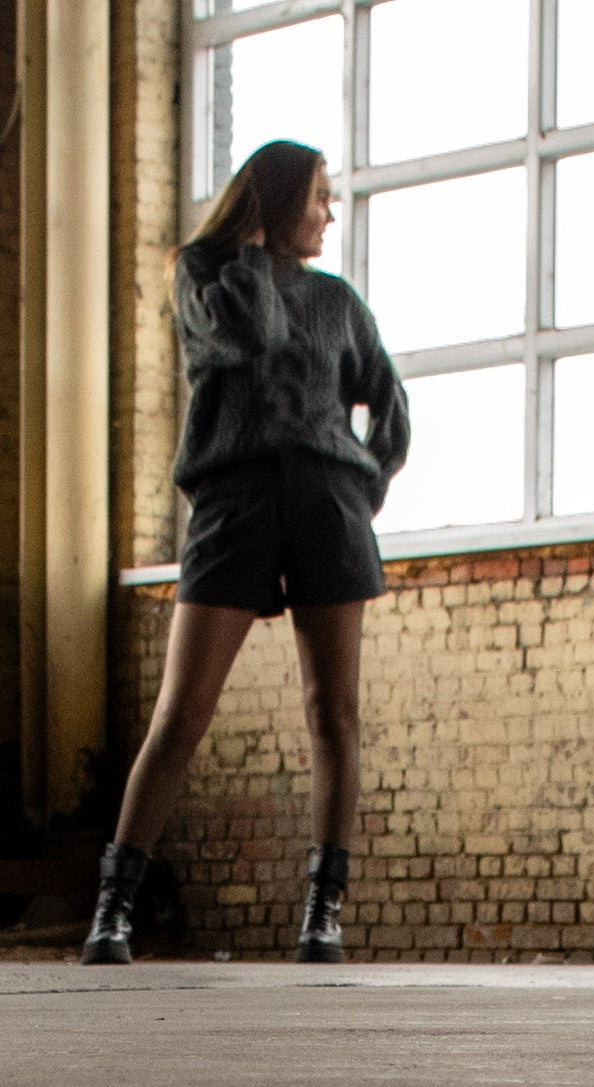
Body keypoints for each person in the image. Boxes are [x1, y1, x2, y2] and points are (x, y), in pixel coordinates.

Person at [81, 139, 410, 966]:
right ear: (279, 198)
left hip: (326, 504)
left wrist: (361, 484)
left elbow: (392, 405)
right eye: (320, 196)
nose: (330, 212)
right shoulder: (204, 274)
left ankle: (322, 914)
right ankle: (113, 911)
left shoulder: (338, 301)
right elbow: (252, 334)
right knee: (181, 713)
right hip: (236, 501)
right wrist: (256, 255)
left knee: (332, 712)